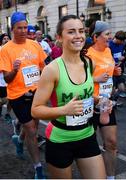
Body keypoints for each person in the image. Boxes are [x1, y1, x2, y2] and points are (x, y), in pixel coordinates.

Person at [31, 15, 106, 179]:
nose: (78, 36)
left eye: (81, 31)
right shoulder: (52, 70)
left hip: (87, 134)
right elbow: (36, 110)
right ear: (59, 37)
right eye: (71, 32)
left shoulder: (89, 63)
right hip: (60, 139)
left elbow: (83, 94)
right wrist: (65, 110)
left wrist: (98, 100)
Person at [0, 11, 47, 179]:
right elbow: (7, 78)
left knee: (32, 128)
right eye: (19, 28)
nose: (23, 30)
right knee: (31, 130)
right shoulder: (5, 50)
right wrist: (15, 69)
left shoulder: (35, 45)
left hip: (36, 92)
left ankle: (19, 140)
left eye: (25, 27)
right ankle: (38, 168)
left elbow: (43, 67)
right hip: (18, 95)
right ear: (12, 28)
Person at [86, 20, 121, 179]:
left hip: (107, 104)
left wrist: (116, 72)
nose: (110, 37)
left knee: (112, 143)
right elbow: (79, 81)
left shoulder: (107, 51)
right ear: (96, 36)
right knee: (89, 145)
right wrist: (95, 78)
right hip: (91, 104)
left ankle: (110, 177)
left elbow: (110, 71)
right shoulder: (87, 56)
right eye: (107, 34)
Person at [109, 31, 126, 99]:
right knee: (112, 90)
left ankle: (115, 98)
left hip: (119, 69)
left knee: (122, 89)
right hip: (111, 70)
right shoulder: (109, 45)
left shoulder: (122, 45)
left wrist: (124, 57)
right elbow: (107, 57)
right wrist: (116, 58)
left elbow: (124, 54)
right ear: (117, 39)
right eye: (122, 41)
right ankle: (113, 101)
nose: (123, 43)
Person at [0, 33, 12, 123]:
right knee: (3, 100)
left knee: (11, 99)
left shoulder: (12, 50)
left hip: (12, 79)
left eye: (8, 38)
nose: (6, 40)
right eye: (4, 38)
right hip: (1, 80)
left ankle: (8, 113)